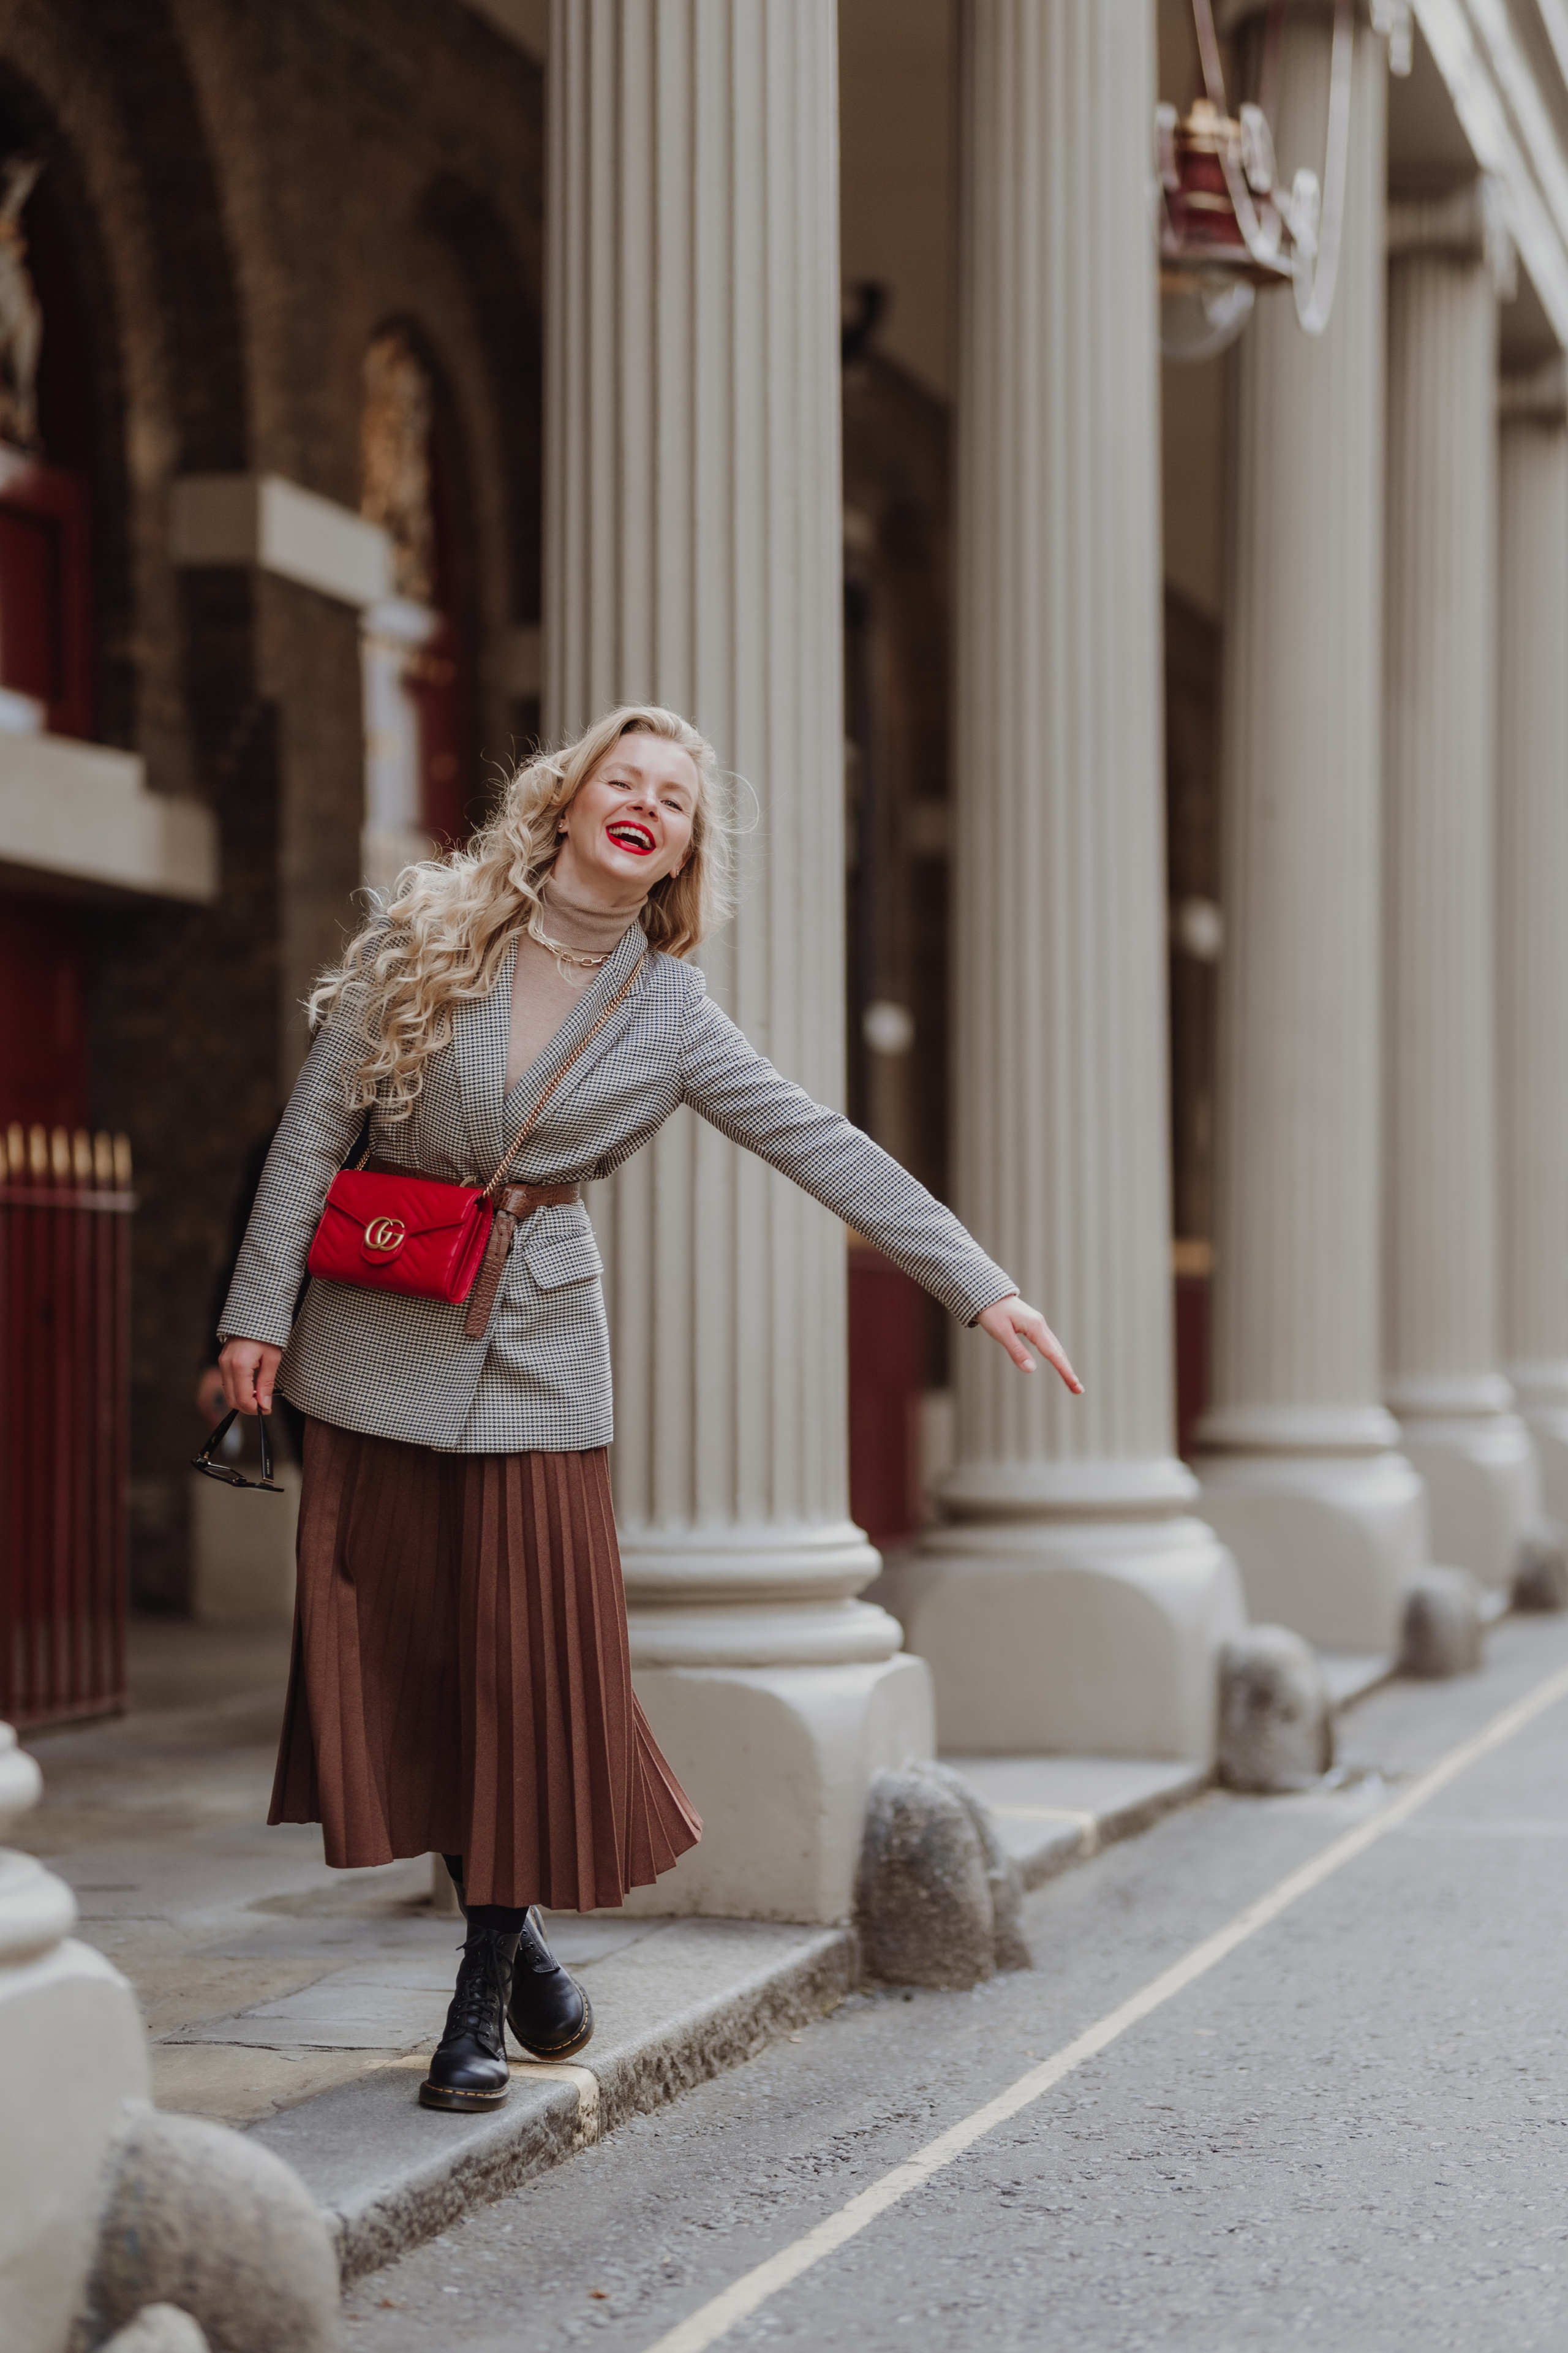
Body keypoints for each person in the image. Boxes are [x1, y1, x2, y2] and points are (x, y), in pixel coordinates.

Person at [217, 703, 1080, 2115]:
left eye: (672, 801)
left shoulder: (668, 1008)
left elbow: (822, 1142)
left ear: (677, 853)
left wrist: (977, 1286)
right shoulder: (427, 929)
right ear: (564, 806)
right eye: (623, 780)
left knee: (522, 1669)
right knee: (412, 1662)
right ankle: (527, 1943)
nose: (645, 804)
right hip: (374, 1324)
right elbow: (318, 1122)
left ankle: (478, 1997)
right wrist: (255, 1314)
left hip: (537, 1348)